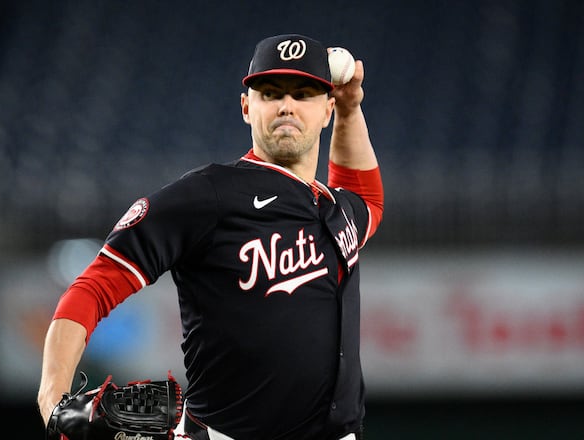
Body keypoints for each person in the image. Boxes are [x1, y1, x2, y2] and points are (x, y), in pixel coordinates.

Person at [37, 33, 384, 440]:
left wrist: (351, 109)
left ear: (325, 110)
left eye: (303, 93)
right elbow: (91, 288)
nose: (287, 105)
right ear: (245, 107)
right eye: (270, 93)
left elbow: (367, 199)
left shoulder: (337, 209)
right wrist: (52, 396)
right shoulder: (208, 195)